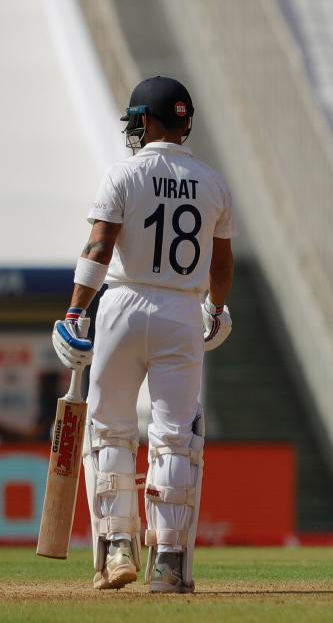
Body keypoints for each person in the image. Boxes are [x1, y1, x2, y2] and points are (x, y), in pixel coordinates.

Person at [51, 76, 236, 593]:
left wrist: (73, 312)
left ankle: (115, 551)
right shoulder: (213, 182)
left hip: (122, 307)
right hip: (182, 311)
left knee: (111, 429)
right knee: (175, 437)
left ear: (148, 121)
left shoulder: (122, 175)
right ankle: (169, 563)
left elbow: (99, 249)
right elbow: (222, 264)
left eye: (137, 119)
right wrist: (216, 309)